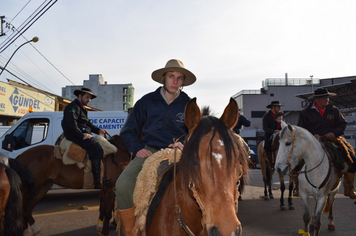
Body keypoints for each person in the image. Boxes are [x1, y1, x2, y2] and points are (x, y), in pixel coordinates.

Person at [115, 59, 196, 235]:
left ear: (183, 82)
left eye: (180, 78)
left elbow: (195, 133)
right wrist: (137, 148)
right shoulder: (146, 101)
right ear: (164, 79)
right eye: (171, 76)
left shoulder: (189, 104)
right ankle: (129, 231)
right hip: (150, 151)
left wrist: (184, 143)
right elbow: (128, 130)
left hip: (178, 152)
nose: (175, 81)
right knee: (122, 184)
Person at [297, 87, 356, 199]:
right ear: (317, 100)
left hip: (332, 140)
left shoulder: (334, 110)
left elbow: (342, 124)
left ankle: (349, 187)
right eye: (325, 98)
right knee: (297, 160)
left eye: (328, 97)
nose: (327, 100)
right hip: (312, 142)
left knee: (352, 159)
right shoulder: (306, 113)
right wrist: (312, 136)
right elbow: (301, 129)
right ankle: (296, 186)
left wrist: (333, 133)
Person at [61, 87, 108, 189]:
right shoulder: (72, 107)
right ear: (79, 96)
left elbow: (88, 123)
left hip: (80, 134)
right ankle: (97, 181)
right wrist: (82, 135)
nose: (89, 100)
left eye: (90, 98)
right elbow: (71, 124)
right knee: (97, 148)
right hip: (75, 136)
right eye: (87, 97)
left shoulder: (82, 108)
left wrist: (99, 131)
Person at [262, 101, 282, 170]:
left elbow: (283, 123)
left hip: (280, 133)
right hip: (270, 134)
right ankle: (271, 164)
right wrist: (273, 131)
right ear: (273, 107)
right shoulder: (266, 116)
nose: (279, 108)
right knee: (267, 145)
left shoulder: (280, 115)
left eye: (279, 107)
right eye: (278, 107)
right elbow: (265, 128)